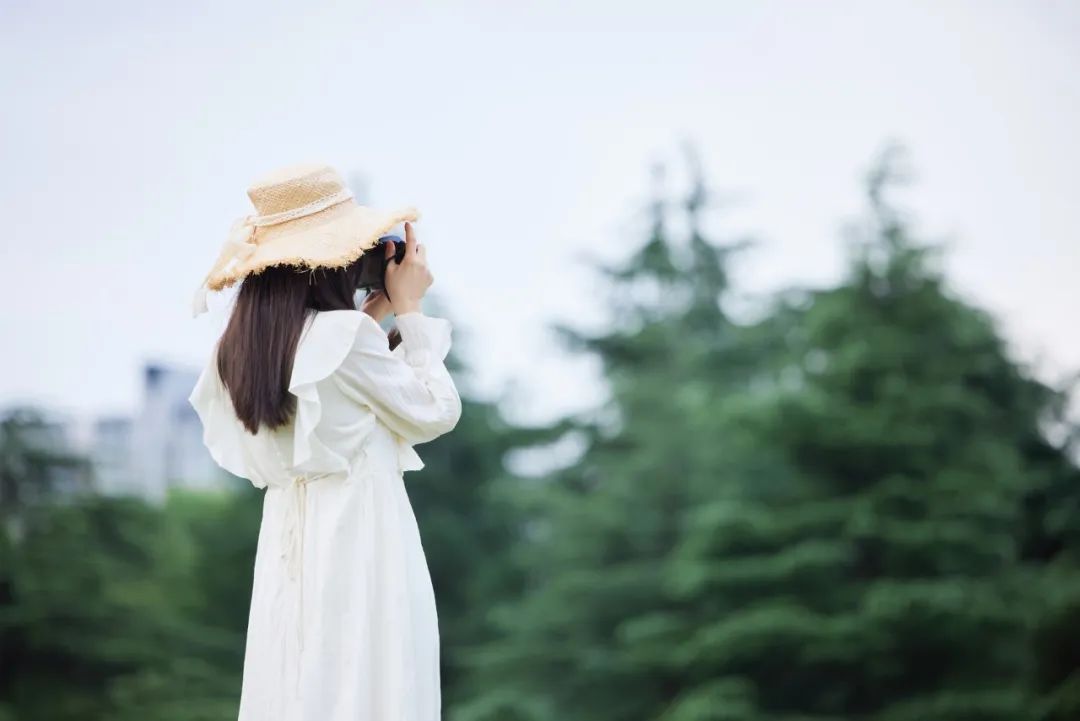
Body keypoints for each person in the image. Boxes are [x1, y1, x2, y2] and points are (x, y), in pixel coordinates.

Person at [187, 162, 461, 720]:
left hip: (289, 536)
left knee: (294, 678)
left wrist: (371, 315)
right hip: (360, 530)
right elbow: (433, 409)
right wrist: (407, 309)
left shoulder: (236, 350)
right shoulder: (343, 337)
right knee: (368, 678)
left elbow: (345, 389)